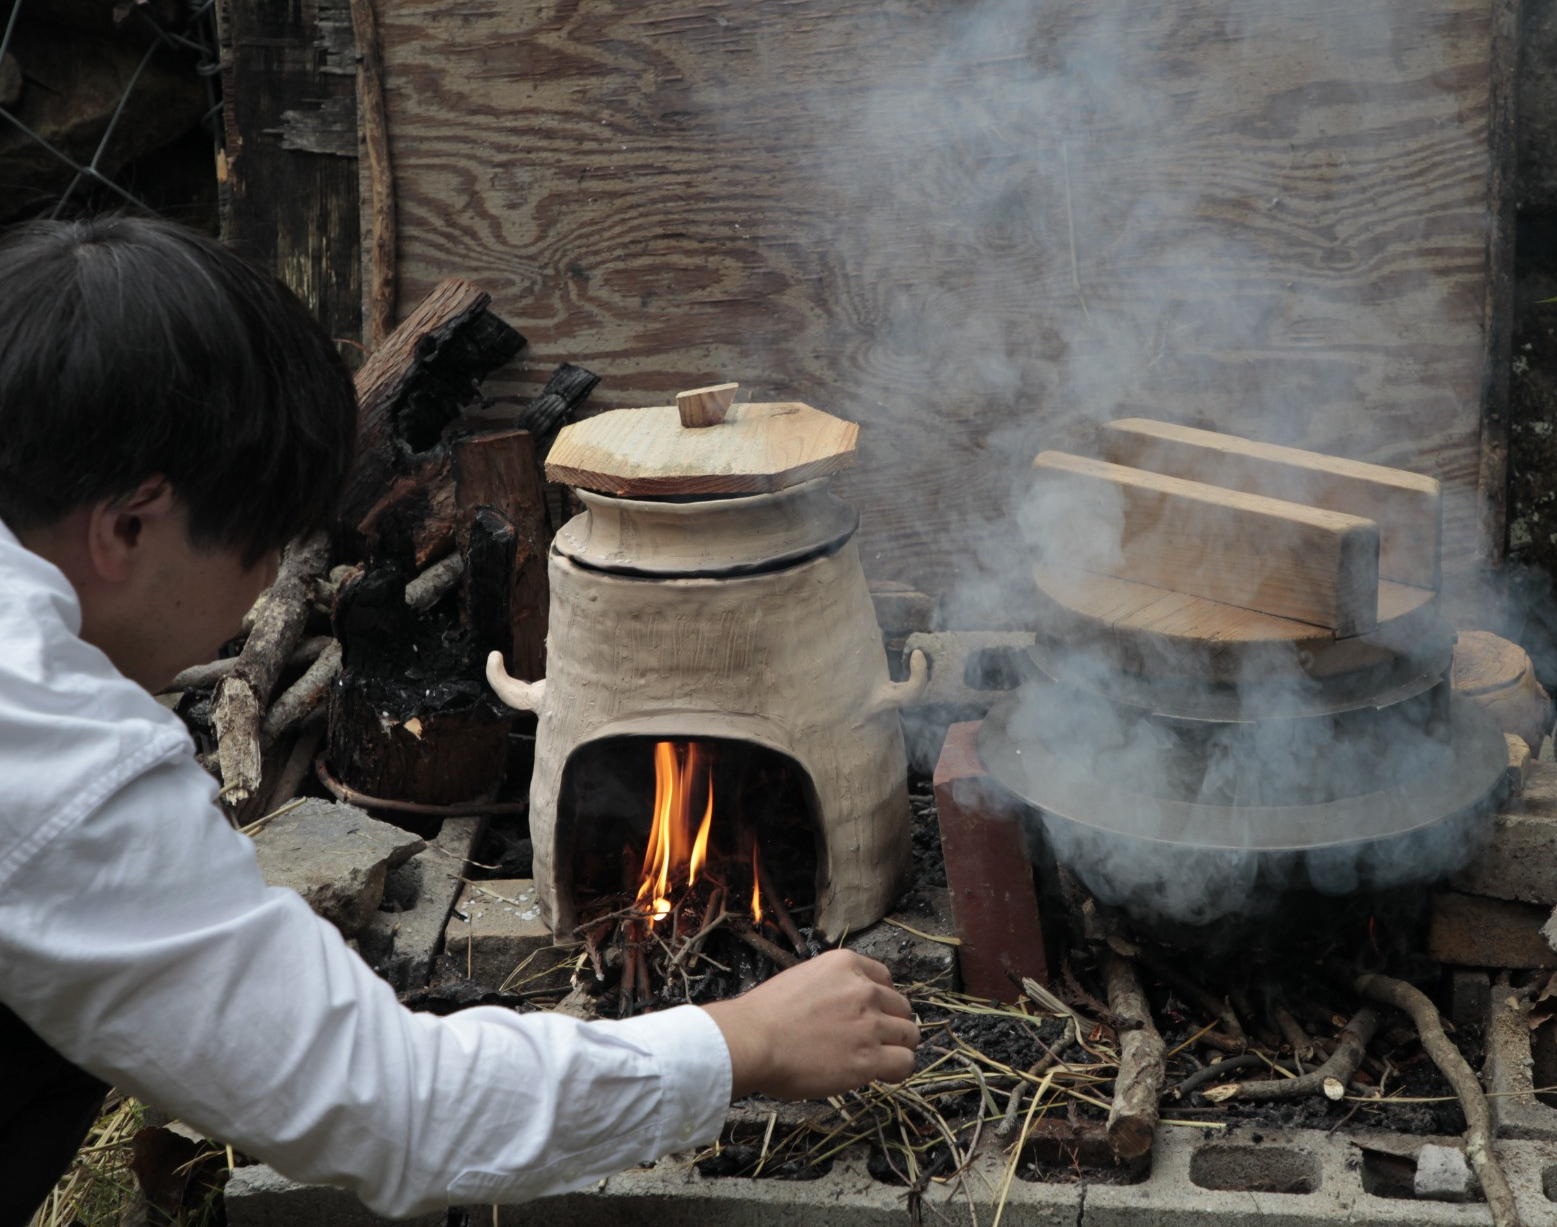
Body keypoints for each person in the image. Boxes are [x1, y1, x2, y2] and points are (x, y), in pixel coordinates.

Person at [0, 214, 921, 1225]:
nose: (261, 592)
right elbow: (387, 1103)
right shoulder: (50, 753)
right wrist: (747, 1041)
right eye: (262, 551)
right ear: (130, 525)